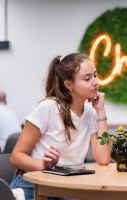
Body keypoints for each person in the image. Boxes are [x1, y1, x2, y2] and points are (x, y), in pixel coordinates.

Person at [10, 53, 111, 200]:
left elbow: (103, 158)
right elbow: (16, 157)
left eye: (95, 75)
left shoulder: (91, 113)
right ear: (68, 84)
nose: (95, 82)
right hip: (33, 186)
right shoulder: (48, 108)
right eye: (87, 78)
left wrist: (101, 111)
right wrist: (43, 165)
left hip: (67, 187)